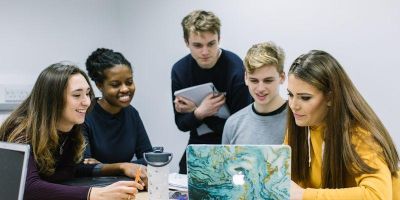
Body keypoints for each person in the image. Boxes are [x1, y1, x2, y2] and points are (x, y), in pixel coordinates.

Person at [0, 63, 143, 200]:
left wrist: (121, 167)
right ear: (52, 100)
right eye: (77, 95)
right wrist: (95, 194)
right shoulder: (20, 130)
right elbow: (28, 187)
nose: (86, 102)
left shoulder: (70, 127)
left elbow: (72, 170)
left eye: (87, 94)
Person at [285, 50, 399, 200]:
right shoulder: (303, 125)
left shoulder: (360, 134)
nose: (293, 105)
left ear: (331, 98)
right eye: (290, 95)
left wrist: (304, 195)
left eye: (305, 98)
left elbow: (377, 196)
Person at [171, 10, 252, 174]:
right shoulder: (180, 70)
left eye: (211, 44)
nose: (205, 52)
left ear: (219, 39)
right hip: (197, 146)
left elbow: (241, 130)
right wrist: (199, 113)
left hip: (231, 148)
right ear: (186, 42)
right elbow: (181, 124)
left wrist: (198, 112)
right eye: (198, 45)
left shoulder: (236, 69)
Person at [83, 48, 152, 180]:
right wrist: (123, 167)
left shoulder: (132, 113)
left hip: (127, 187)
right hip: (95, 191)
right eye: (115, 84)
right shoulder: (86, 115)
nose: (125, 89)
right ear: (99, 86)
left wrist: (103, 167)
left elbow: (148, 158)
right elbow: (83, 167)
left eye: (129, 82)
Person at [222, 41, 287, 144]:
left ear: (282, 77)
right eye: (254, 80)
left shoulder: (298, 120)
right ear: (246, 78)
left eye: (268, 80)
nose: (260, 88)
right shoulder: (233, 124)